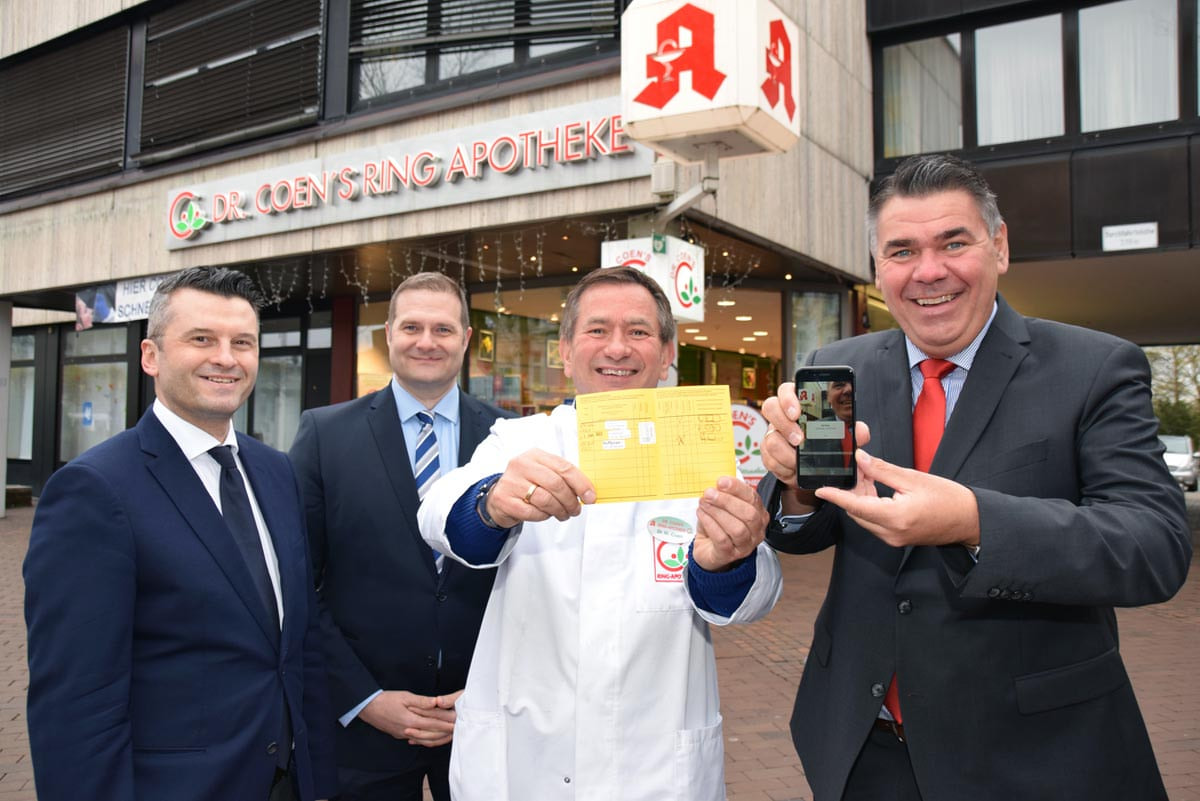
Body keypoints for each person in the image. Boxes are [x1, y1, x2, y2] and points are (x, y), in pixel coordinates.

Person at [758, 154, 1192, 801]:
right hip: (864, 749)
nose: (928, 270)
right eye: (902, 250)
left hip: (1036, 754)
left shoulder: (1095, 367)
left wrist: (973, 521)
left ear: (1000, 246)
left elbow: (1153, 544)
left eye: (953, 242)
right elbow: (807, 522)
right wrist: (793, 483)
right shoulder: (837, 366)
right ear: (878, 267)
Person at [418, 266, 782, 801]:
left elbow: (750, 598)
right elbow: (441, 517)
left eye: (638, 332)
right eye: (596, 330)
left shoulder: (703, 457)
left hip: (655, 767)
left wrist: (724, 561)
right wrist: (494, 504)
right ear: (565, 351)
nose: (618, 348)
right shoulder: (519, 441)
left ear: (666, 353)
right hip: (526, 761)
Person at [24, 267, 337, 801]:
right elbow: (76, 703)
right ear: (151, 356)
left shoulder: (275, 471)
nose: (226, 358)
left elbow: (294, 643)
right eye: (201, 339)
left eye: (243, 342)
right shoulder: (94, 490)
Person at [289, 272, 512, 800]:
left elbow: (532, 583)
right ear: (386, 334)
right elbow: (299, 585)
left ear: (467, 338)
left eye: (442, 328)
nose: (426, 341)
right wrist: (363, 699)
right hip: (366, 726)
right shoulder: (324, 435)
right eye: (411, 326)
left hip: (483, 718)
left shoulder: (510, 439)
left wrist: (491, 691)